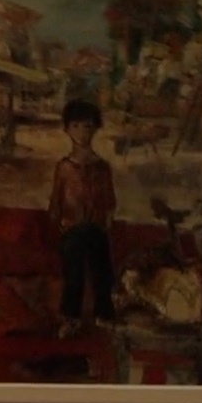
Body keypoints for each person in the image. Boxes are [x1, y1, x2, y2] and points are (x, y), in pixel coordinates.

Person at [47, 99, 119, 338]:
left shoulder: (102, 167)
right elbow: (56, 201)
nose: (81, 132)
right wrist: (59, 224)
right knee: (74, 273)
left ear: (95, 129)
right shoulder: (64, 167)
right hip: (72, 229)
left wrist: (106, 223)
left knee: (103, 270)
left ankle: (104, 314)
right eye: (75, 126)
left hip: (96, 228)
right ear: (67, 129)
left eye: (87, 126)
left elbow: (109, 200)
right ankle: (71, 317)